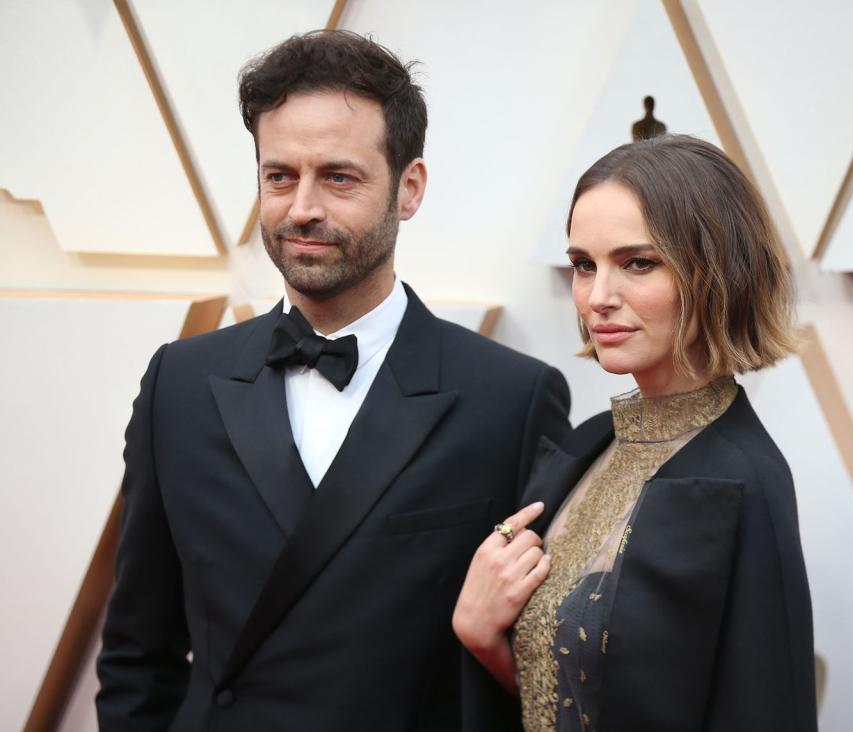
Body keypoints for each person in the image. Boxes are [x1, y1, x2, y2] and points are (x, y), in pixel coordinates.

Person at [95, 30, 570, 731]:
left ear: (409, 188)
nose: (302, 209)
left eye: (338, 177)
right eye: (280, 176)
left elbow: (536, 664)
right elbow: (138, 652)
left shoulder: (511, 399)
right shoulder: (181, 383)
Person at [455, 135, 818, 731]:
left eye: (638, 263)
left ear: (717, 273)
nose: (598, 298)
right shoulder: (589, 443)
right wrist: (482, 635)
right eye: (583, 265)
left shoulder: (740, 482)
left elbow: (766, 709)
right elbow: (568, 701)